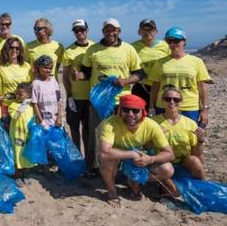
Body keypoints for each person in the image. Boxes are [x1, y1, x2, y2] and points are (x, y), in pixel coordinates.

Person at [75, 18, 144, 178]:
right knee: (97, 134)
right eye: (107, 29)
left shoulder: (128, 49)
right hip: (99, 102)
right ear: (103, 31)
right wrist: (80, 75)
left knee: (122, 134)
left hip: (123, 102)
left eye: (113, 30)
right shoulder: (93, 49)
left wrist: (126, 81)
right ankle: (93, 167)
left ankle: (121, 168)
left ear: (119, 31)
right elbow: (86, 72)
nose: (110, 32)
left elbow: (140, 74)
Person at [99, 95, 174, 208]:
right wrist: (132, 154)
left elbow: (170, 154)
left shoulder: (151, 125)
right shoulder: (110, 123)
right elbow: (104, 153)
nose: (130, 114)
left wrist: (150, 159)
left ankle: (135, 179)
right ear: (120, 110)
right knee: (107, 160)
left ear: (142, 112)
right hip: (120, 156)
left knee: (167, 169)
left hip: (140, 159)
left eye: (135, 110)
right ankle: (111, 190)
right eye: (126, 109)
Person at [149, 27, 212, 126]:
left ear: (184, 41)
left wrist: (205, 110)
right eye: (169, 41)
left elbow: (202, 88)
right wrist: (151, 108)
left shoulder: (196, 61)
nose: (173, 44)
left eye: (176, 40)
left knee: (190, 137)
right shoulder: (160, 63)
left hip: (189, 107)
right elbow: (155, 87)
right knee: (163, 137)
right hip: (164, 106)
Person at [152, 87, 206, 197]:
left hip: (182, 161)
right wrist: (155, 137)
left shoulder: (190, 123)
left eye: (176, 99)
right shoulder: (153, 123)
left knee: (195, 160)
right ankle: (165, 186)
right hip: (163, 164)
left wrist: (200, 140)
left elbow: (196, 153)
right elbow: (146, 148)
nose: (172, 102)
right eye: (168, 99)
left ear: (181, 102)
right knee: (175, 193)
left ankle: (203, 188)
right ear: (162, 101)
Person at [61, 19, 95, 166]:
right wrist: (69, 95)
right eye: (76, 30)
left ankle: (88, 159)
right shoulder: (69, 51)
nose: (79, 32)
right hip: (75, 97)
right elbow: (65, 75)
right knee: (74, 128)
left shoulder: (95, 47)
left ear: (87, 30)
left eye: (82, 29)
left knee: (88, 130)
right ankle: (77, 158)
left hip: (92, 97)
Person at [131, 19, 170, 111]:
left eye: (150, 29)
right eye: (144, 29)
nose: (147, 32)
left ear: (156, 32)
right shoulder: (132, 47)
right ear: (139, 32)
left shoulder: (165, 46)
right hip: (141, 87)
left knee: (160, 116)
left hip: (161, 87)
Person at [0, 37, 33, 128]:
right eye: (11, 47)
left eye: (17, 48)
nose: (14, 50)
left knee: (23, 136)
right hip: (7, 107)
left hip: (24, 106)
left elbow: (31, 87)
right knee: (8, 137)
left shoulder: (26, 66)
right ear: (6, 49)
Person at [8, 83, 36, 186]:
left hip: (28, 134)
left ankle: (25, 175)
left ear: (28, 94)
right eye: (17, 94)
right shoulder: (13, 105)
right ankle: (17, 176)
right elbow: (15, 116)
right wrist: (23, 105)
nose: (18, 96)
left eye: (21, 94)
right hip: (17, 135)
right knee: (17, 154)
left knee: (27, 155)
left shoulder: (32, 106)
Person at [31, 56, 63, 128]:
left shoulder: (54, 81)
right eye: (45, 67)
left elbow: (58, 100)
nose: (48, 70)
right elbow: (35, 104)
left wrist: (59, 118)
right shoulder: (36, 83)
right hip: (43, 123)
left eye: (50, 68)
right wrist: (42, 122)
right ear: (39, 67)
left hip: (56, 121)